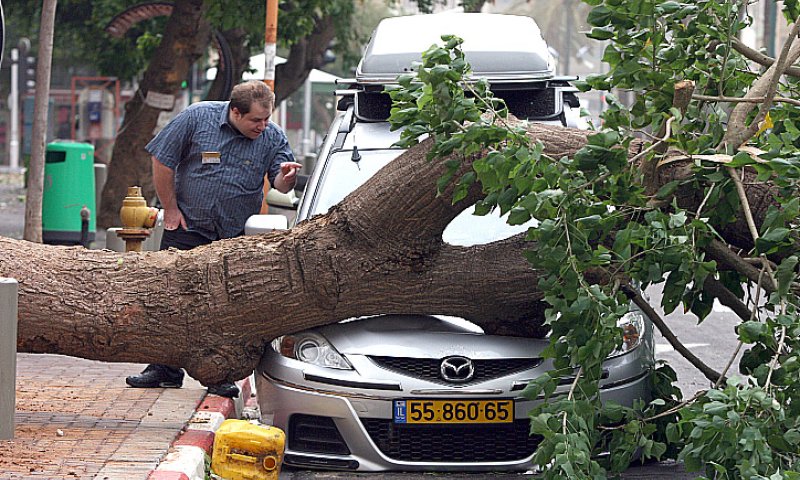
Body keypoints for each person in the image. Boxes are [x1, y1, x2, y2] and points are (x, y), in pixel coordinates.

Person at [125, 80, 301, 398]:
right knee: (170, 299)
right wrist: (171, 208)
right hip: (189, 226)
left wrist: (286, 179)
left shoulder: (271, 136)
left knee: (222, 306)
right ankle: (163, 369)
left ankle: (218, 373)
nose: (262, 126)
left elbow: (280, 181)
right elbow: (161, 158)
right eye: (255, 120)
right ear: (235, 111)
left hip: (232, 237)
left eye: (266, 119)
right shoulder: (197, 118)